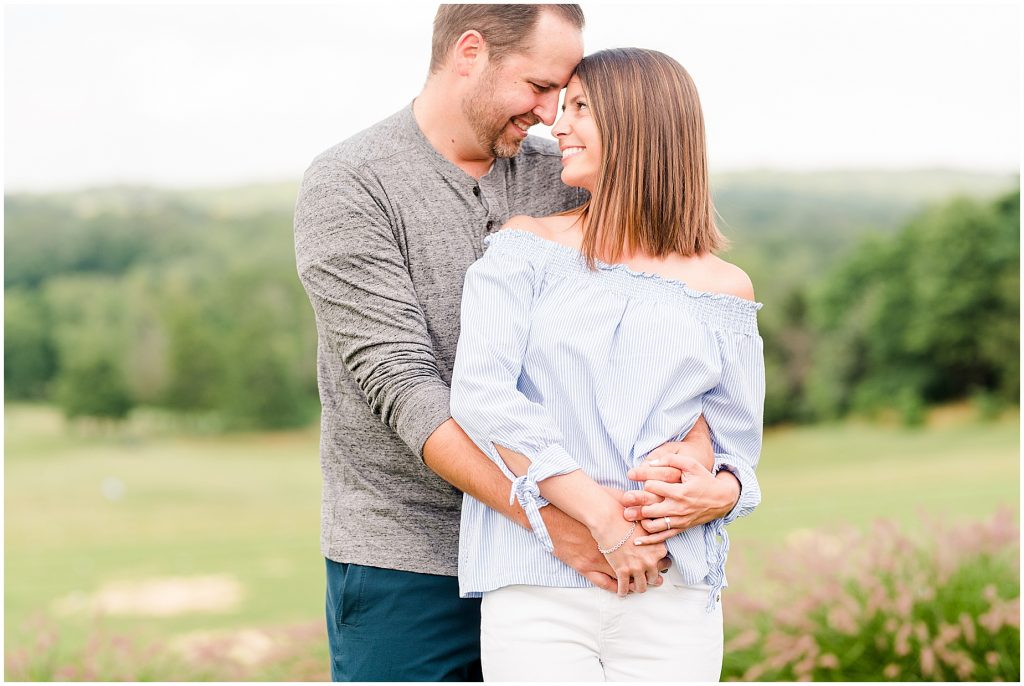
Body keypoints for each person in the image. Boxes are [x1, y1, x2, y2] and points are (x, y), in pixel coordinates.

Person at [294, 6, 733, 681]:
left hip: (569, 563)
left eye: (565, 93)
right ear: (471, 53)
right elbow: (403, 386)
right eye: (538, 85)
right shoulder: (350, 184)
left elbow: (669, 334)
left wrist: (702, 470)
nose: (551, 111)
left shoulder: (563, 176)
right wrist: (548, 518)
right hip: (411, 558)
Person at [450, 47, 764, 681]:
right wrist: (598, 515)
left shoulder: (725, 289)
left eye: (580, 108)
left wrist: (715, 491)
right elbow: (482, 398)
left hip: (671, 587)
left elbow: (738, 450)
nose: (557, 125)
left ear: (640, 124)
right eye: (562, 107)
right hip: (539, 583)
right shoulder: (523, 251)